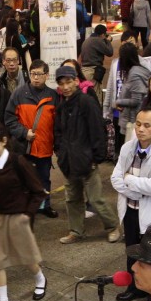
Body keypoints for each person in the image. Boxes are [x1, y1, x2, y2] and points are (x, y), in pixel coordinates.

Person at [0, 122, 47, 301]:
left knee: (26, 257)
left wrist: (27, 215)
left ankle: (40, 279)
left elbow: (38, 191)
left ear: (4, 141)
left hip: (18, 215)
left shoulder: (18, 162)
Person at [110, 108, 151, 301]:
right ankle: (134, 287)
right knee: (132, 252)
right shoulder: (127, 148)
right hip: (131, 210)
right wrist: (137, 190)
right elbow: (115, 178)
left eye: (147, 125)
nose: (140, 129)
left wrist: (129, 179)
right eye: (138, 124)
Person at [54, 65, 120, 244]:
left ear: (76, 81)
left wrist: (96, 158)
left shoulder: (86, 102)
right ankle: (76, 231)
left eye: (69, 82)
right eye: (62, 83)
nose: (66, 87)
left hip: (87, 161)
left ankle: (113, 226)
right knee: (72, 199)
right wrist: (60, 154)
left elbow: (98, 131)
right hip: (69, 162)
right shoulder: (62, 106)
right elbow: (58, 132)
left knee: (96, 198)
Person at [5, 59, 58, 218]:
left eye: (39, 74)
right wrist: (23, 132)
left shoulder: (53, 96)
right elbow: (9, 119)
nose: (35, 77)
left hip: (45, 147)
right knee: (24, 179)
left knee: (44, 179)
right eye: (33, 74)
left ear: (47, 75)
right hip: (24, 147)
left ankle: (44, 205)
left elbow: (57, 124)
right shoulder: (19, 94)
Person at [114, 42, 151, 144]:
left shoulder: (134, 74)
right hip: (132, 120)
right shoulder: (136, 71)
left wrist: (119, 101)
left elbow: (136, 100)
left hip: (133, 122)